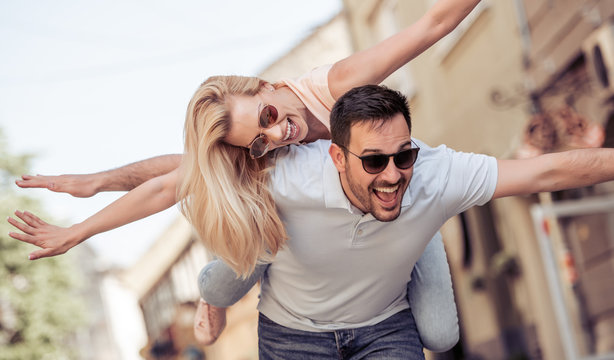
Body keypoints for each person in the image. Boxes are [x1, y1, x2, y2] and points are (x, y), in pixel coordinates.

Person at [11, 0, 483, 352]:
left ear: (267, 85)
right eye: (259, 139)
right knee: (222, 274)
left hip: (394, 217)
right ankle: (211, 296)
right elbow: (171, 179)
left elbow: (433, 24)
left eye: (269, 115)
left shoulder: (336, 85)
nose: (278, 134)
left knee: (441, 334)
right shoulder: (258, 153)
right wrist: (84, 215)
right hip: (301, 247)